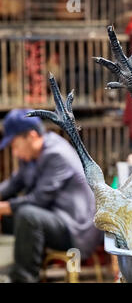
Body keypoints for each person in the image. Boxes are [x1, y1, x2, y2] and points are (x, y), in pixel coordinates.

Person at [0, 109, 102, 283]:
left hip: (76, 230)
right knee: (12, 217)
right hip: (55, 218)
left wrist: (5, 207)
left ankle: (24, 278)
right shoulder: (32, 156)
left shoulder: (56, 154)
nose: (14, 153)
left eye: (15, 145)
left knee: (27, 216)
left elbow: (38, 200)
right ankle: (18, 265)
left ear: (31, 136)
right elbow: (13, 184)